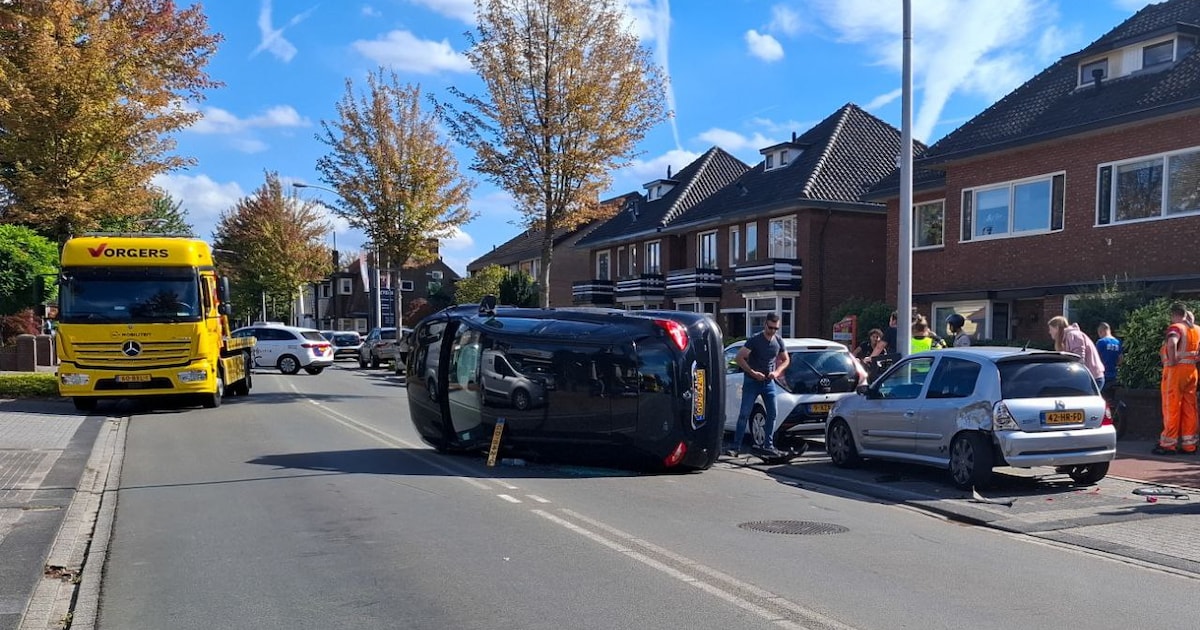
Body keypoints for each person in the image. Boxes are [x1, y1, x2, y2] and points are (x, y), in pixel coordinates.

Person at [729, 313, 791, 457]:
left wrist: (777, 372)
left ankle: (768, 445)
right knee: (744, 413)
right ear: (765, 325)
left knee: (773, 413)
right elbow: (739, 358)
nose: (773, 331)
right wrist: (752, 372)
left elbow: (786, 360)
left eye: (776, 328)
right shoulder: (755, 340)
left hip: (768, 382)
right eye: (770, 327)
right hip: (752, 382)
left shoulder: (779, 341)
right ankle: (736, 447)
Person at [1156, 303, 1199, 455]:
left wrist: (1173, 360)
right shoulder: (1196, 330)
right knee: (1189, 407)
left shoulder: (1176, 328)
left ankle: (1168, 444)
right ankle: (1189, 444)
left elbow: (1172, 343)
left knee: (1171, 406)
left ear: (1174, 314)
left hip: (1176, 372)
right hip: (1192, 372)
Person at [1047, 316, 1106, 390]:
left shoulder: (1073, 335)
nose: (1049, 332)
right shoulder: (1066, 338)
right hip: (1086, 378)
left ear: (1057, 328)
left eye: (1050, 329)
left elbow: (1079, 359)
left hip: (1092, 378)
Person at [1094, 322, 1122, 394]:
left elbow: (1095, 359)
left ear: (1101, 331)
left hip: (1103, 375)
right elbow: (1120, 359)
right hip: (1115, 375)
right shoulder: (1118, 342)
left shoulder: (1101, 342)